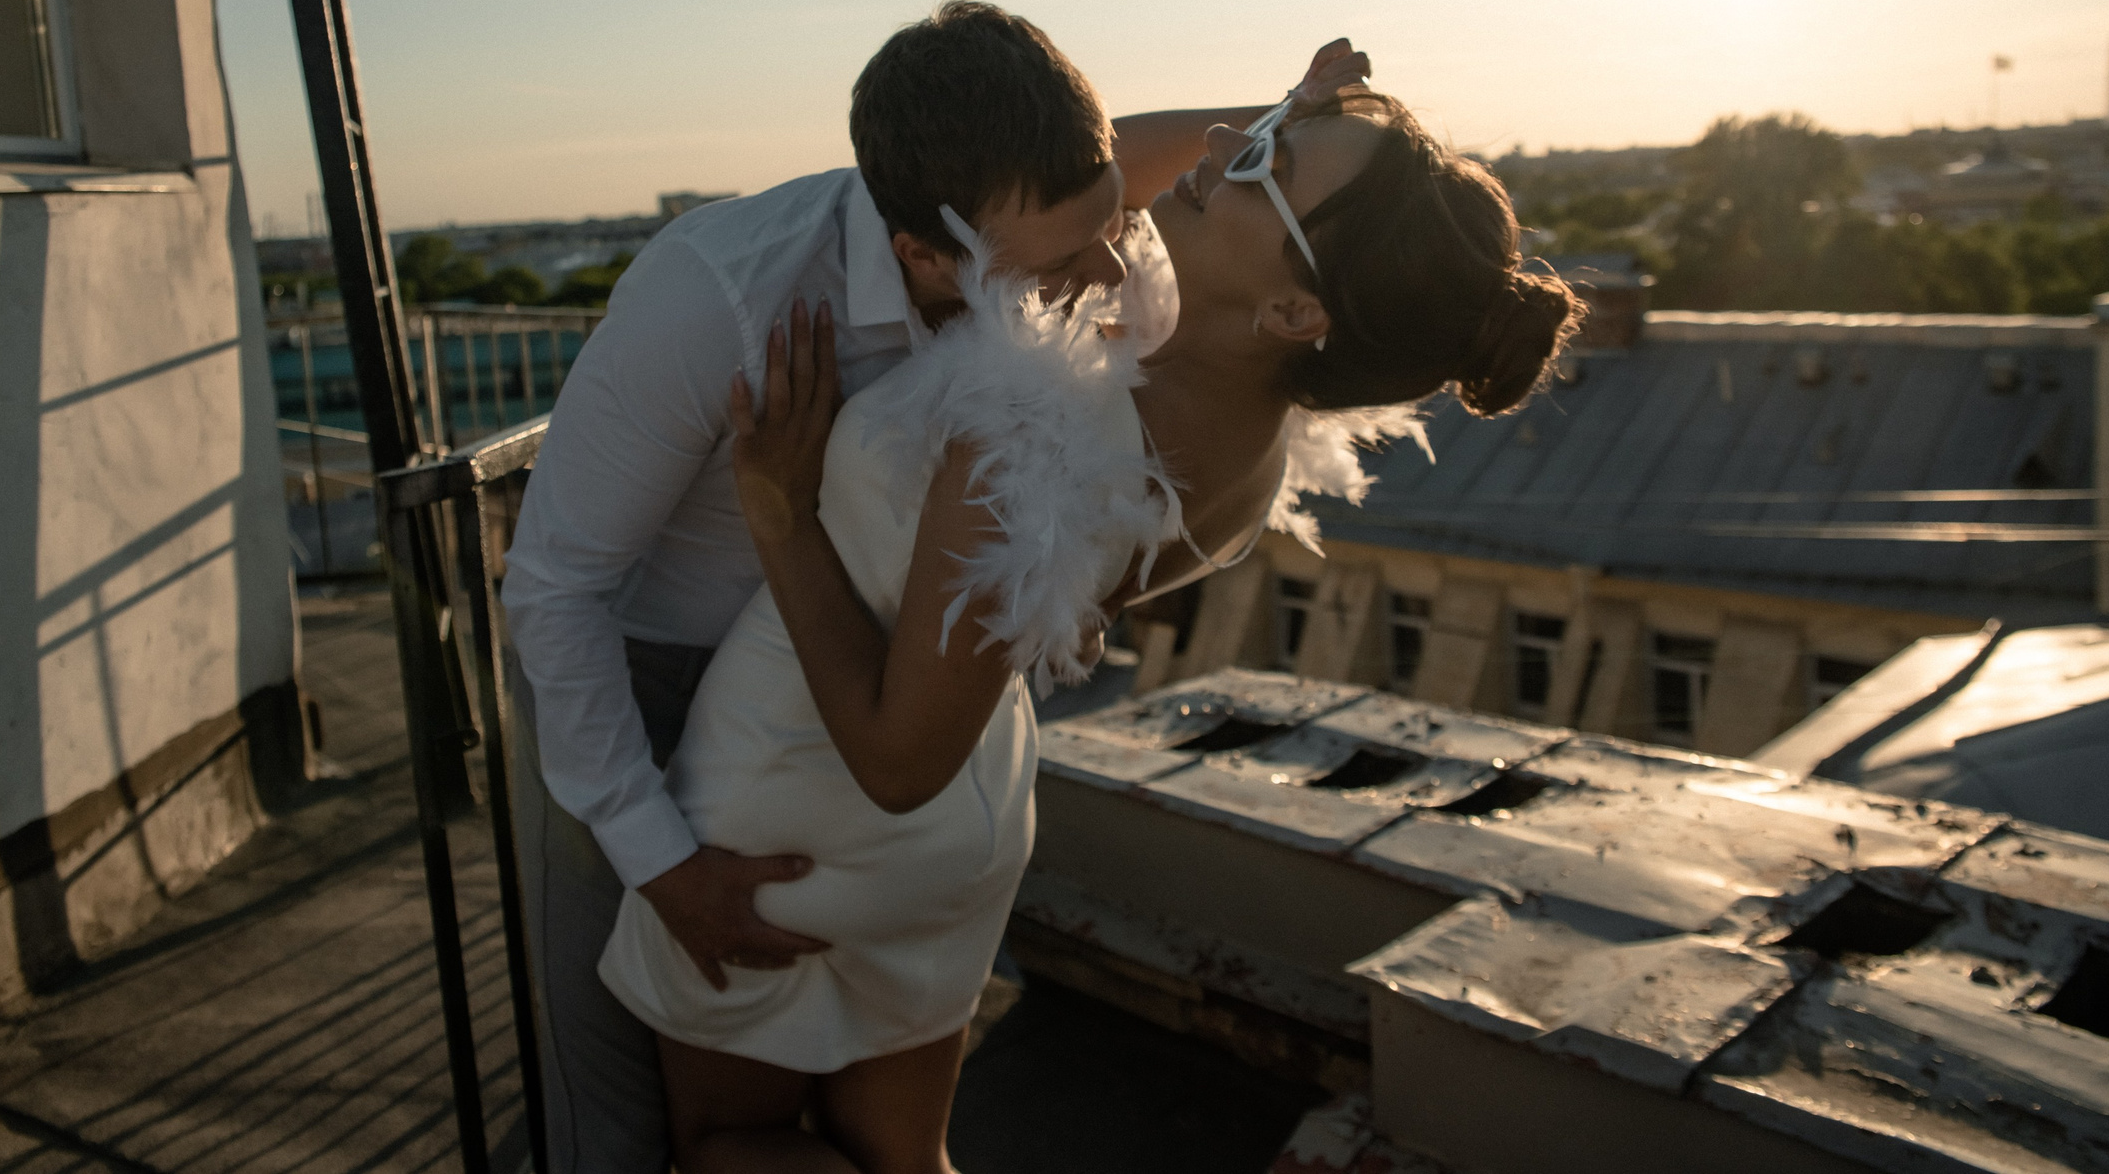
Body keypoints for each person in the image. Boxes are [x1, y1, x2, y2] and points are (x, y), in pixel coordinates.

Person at [599, 77, 1580, 1172]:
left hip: (794, 812)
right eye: (1262, 133)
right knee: (901, 1151)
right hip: (966, 828)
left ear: (1295, 312)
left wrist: (780, 513)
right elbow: (1121, 178)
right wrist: (1283, 116)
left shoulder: (1036, 426)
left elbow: (894, 757)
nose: (1221, 144)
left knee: (726, 1142)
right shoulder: (1245, 440)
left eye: (1267, 162)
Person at [498, 1, 1341, 1174]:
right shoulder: (717, 299)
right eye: (1060, 263)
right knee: (619, 1117)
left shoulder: (1047, 213)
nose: (1110, 270)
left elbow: (1152, 165)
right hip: (649, 686)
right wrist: (661, 863)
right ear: (923, 255)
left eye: (1112, 221)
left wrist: (1287, 122)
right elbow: (553, 591)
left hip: (900, 711)